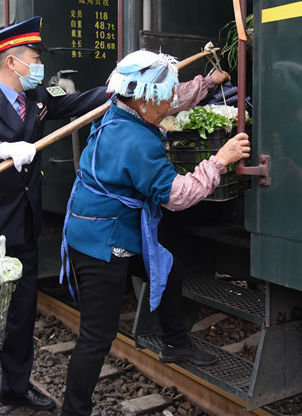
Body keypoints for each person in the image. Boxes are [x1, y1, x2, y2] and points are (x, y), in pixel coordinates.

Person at [59, 50, 251, 416]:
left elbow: (173, 97)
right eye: (163, 100)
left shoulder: (123, 103)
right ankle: (74, 411)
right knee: (97, 338)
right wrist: (221, 160)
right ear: (145, 98)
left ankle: (174, 342)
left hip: (105, 228)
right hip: (102, 244)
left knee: (169, 269)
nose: (168, 107)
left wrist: (210, 83)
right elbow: (178, 196)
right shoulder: (136, 141)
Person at [0, 16, 108, 415]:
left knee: (21, 315)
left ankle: (15, 388)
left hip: (24, 229)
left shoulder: (38, 99)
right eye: (34, 57)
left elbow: (75, 104)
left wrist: (112, 89)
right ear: (13, 62)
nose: (39, 64)